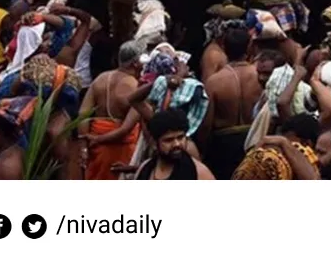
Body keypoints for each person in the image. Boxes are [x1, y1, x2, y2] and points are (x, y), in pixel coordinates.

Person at [201, 27, 262, 180]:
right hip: (255, 139)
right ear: (249, 47)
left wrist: (202, 149)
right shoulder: (260, 76)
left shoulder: (214, 81)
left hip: (223, 146)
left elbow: (206, 124)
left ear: (224, 48)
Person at [79, 40, 144, 180]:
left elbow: (83, 114)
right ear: (136, 63)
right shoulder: (136, 87)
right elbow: (126, 129)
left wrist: (84, 146)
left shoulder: (100, 79)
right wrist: (98, 140)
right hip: (120, 148)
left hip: (96, 147)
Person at [232, 113, 321, 180]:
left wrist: (284, 143)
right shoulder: (266, 158)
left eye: (293, 145)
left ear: (307, 144)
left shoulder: (304, 154)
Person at [135, 109, 214, 180]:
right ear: (154, 143)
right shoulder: (145, 169)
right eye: (168, 140)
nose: (177, 144)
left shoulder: (199, 173)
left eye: (180, 137)